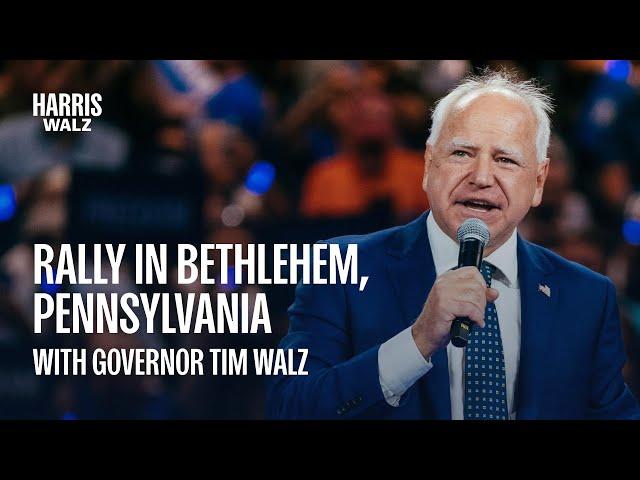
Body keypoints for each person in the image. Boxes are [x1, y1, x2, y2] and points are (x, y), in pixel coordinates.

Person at [266, 70, 640, 420]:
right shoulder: (341, 266)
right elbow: (290, 405)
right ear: (429, 165)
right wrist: (416, 342)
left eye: (505, 159)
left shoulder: (588, 297)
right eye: (461, 153)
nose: (480, 177)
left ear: (539, 182)